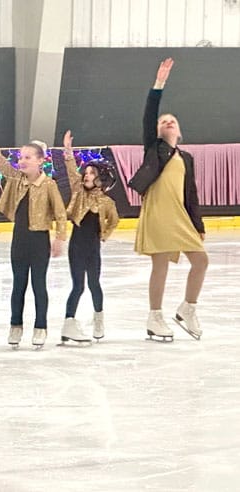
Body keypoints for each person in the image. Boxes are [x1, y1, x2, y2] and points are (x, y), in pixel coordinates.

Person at [129, 57, 207, 342]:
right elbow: (149, 115)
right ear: (158, 130)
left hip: (180, 215)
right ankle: (155, 316)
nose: (168, 122)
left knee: (201, 261)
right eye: (164, 121)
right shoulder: (154, 148)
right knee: (160, 264)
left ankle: (188, 308)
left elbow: (191, 194)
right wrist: (159, 84)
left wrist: (198, 224)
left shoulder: (186, 158)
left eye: (172, 121)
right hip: (159, 213)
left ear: (179, 130)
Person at [0, 117, 67, 349]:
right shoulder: (16, 179)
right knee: (18, 286)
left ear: (40, 161)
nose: (22, 161)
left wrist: (59, 238)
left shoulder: (49, 185)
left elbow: (60, 214)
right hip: (19, 241)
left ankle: (40, 327)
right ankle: (15, 325)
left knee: (38, 285)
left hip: (39, 242)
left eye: (28, 157)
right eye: (21, 157)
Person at [56, 131, 119, 343]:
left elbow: (114, 220)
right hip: (76, 246)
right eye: (87, 172)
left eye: (92, 173)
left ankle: (99, 318)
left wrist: (104, 235)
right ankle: (68, 322)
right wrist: (67, 150)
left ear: (102, 178)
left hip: (93, 248)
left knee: (94, 284)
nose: (87, 175)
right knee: (78, 286)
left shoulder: (107, 202)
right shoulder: (78, 191)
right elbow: (71, 169)